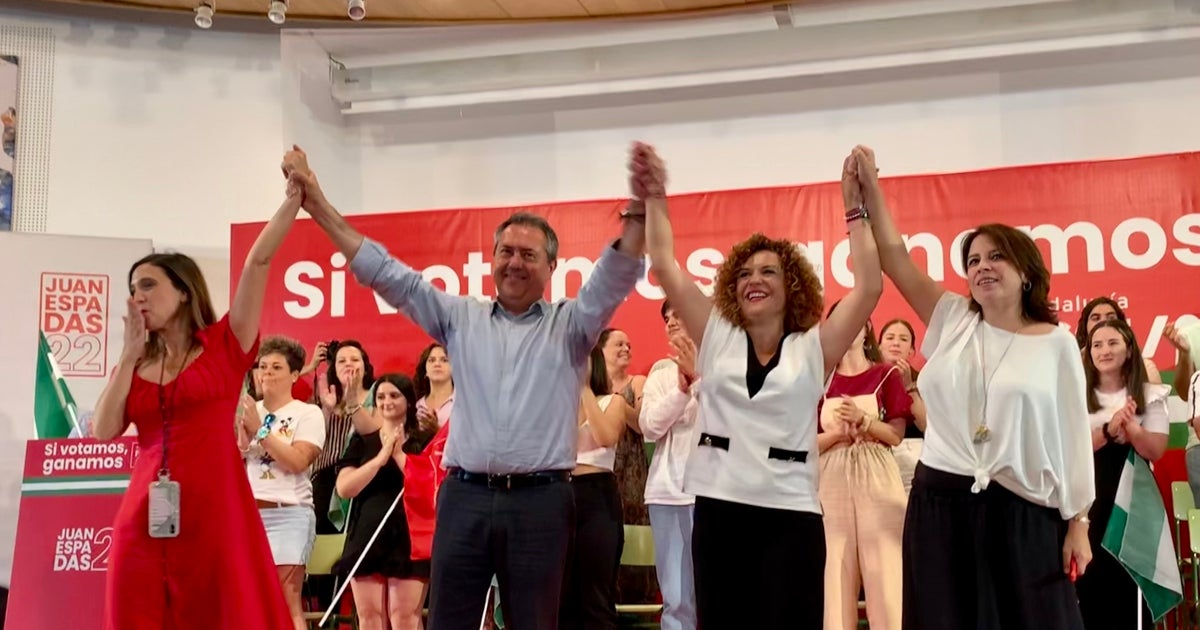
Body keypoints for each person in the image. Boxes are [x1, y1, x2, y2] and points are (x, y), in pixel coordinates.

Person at [282, 143, 645, 630]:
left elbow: (612, 278)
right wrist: (317, 204)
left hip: (543, 502)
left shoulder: (572, 326)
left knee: (536, 622)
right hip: (464, 496)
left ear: (551, 267)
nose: (515, 263)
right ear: (492, 258)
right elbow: (388, 275)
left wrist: (642, 218)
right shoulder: (460, 318)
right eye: (506, 252)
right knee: (449, 621)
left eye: (529, 255)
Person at [857, 143, 1094, 630]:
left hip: (1023, 512)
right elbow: (894, 256)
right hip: (939, 504)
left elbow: (1072, 439)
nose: (982, 266)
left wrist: (1079, 522)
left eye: (996, 257)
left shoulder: (1056, 344)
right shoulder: (953, 318)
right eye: (973, 260)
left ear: (1026, 271)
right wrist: (870, 193)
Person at [643, 146, 882, 628]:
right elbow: (665, 263)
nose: (755, 278)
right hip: (718, 513)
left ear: (791, 284)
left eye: (769, 270)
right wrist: (654, 196)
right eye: (746, 273)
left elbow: (870, 286)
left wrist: (855, 207)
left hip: (790, 516)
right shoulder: (715, 336)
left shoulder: (815, 347)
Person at [94, 173, 304, 628]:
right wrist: (128, 356)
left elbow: (259, 262)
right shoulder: (136, 362)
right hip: (144, 519)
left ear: (184, 290)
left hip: (215, 511)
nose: (138, 297)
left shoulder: (225, 345)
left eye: (148, 285)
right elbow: (103, 430)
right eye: (133, 289)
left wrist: (294, 200)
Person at [816, 304, 909, 630]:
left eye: (854, 317)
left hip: (877, 477)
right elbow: (806, 443)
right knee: (835, 573)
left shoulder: (885, 374)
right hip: (831, 479)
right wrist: (836, 435)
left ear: (867, 325)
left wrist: (865, 421)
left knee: (885, 575)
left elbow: (896, 435)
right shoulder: (820, 381)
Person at [1075, 319, 1169, 629]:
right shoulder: (1076, 395)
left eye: (1113, 342)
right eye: (1097, 344)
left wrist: (1131, 429)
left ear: (1129, 349)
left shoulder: (1148, 393)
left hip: (1135, 498)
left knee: (1131, 582)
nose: (1104, 350)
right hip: (1089, 499)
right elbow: (1069, 450)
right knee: (1090, 581)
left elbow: (1155, 449)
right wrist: (1108, 429)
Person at [236, 336, 327, 630]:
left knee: (285, 598)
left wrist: (260, 434)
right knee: (248, 599)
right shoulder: (249, 411)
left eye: (276, 367)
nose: (267, 373)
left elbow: (298, 461)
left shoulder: (307, 413)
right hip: (249, 515)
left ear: (295, 374)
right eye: (262, 366)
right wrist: (240, 438)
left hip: (289, 513)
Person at [335, 374, 428, 630]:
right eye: (381, 396)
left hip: (410, 536)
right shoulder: (363, 440)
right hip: (368, 533)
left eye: (394, 395)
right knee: (370, 616)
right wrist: (379, 459)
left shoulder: (424, 440)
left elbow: (428, 485)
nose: (387, 401)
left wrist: (398, 455)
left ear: (409, 401)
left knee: (404, 616)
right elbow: (345, 488)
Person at [638, 300, 700, 630]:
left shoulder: (726, 365)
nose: (671, 322)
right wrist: (681, 390)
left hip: (717, 493)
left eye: (679, 314)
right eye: (667, 318)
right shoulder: (662, 373)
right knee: (676, 600)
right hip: (668, 495)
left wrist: (700, 381)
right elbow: (650, 425)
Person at [560, 347, 632, 630]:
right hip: (560, 494)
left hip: (597, 496)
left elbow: (606, 436)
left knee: (596, 596)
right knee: (560, 596)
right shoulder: (556, 405)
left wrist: (583, 389)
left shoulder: (612, 402)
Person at [596, 327, 659, 605]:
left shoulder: (638, 383)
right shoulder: (589, 386)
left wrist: (618, 405)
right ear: (601, 350)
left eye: (630, 345)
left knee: (635, 537)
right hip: (598, 474)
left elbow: (644, 425)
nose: (626, 349)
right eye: (619, 344)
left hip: (632, 474)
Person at [877, 318, 926, 493]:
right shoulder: (868, 376)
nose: (896, 343)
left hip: (912, 459)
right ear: (879, 345)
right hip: (876, 458)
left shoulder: (923, 380)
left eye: (904, 339)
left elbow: (925, 425)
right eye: (890, 338)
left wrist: (908, 386)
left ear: (912, 351)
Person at [1075, 297, 1161, 383]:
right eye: (1096, 318)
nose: (1103, 322)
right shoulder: (1074, 366)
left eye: (1111, 318)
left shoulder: (1145, 368)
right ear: (1085, 327)